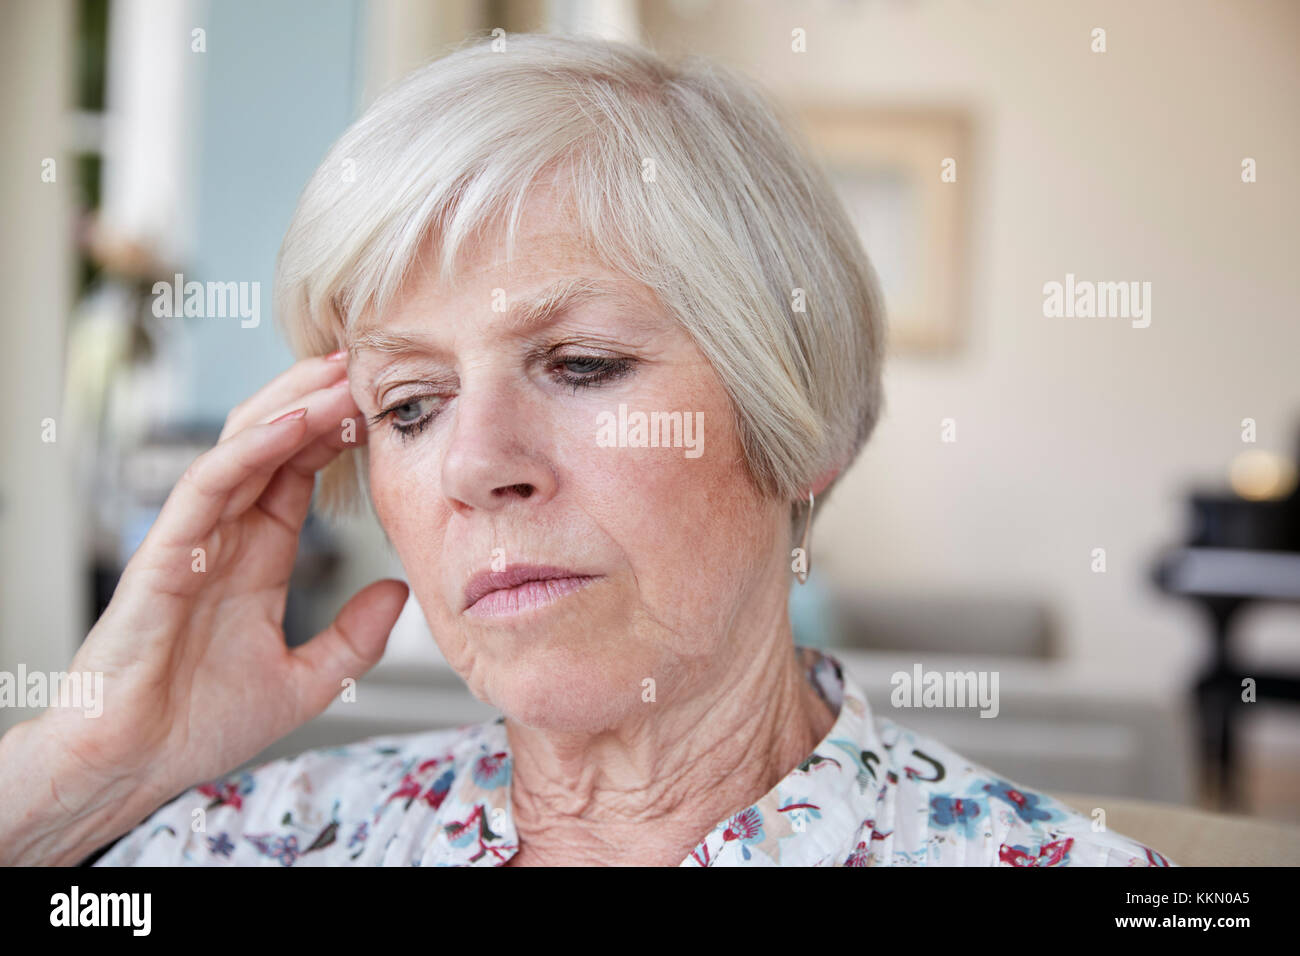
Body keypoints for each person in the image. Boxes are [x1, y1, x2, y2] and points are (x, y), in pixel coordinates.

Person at [0, 33, 1172, 867]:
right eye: (410, 403)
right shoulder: (249, 839)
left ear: (796, 421)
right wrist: (79, 776)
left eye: (580, 365)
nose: (475, 463)